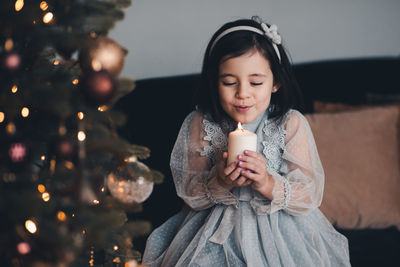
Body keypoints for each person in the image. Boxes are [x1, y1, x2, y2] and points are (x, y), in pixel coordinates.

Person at [142, 17, 351, 267]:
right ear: (214, 81)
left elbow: (308, 194)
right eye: (229, 82)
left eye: (256, 82)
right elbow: (189, 191)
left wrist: (266, 181)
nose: (242, 93)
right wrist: (219, 181)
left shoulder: (290, 123)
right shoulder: (200, 122)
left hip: (281, 230)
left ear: (276, 82)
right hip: (214, 227)